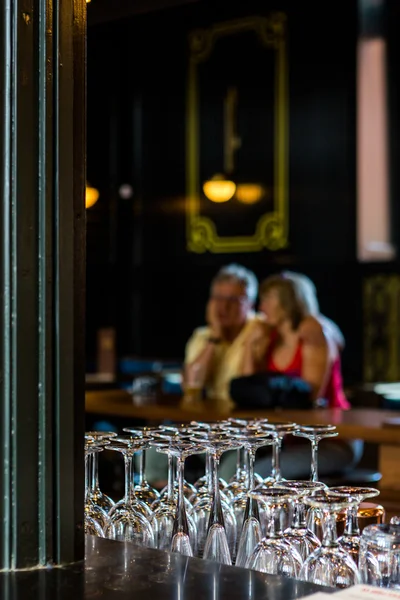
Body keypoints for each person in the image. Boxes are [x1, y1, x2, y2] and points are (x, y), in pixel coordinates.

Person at [219, 271, 362, 481]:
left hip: (330, 441)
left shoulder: (312, 330)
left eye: (268, 299)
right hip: (287, 439)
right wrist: (250, 343)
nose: (261, 307)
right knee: (229, 468)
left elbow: (310, 396)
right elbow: (248, 387)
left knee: (258, 473)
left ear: (288, 302)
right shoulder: (271, 337)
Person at [183, 263, 262, 409]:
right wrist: (214, 338)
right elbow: (191, 385)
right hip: (214, 420)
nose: (224, 307)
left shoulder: (261, 329)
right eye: (218, 298)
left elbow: (250, 389)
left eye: (233, 300)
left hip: (249, 419)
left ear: (250, 304)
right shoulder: (203, 335)